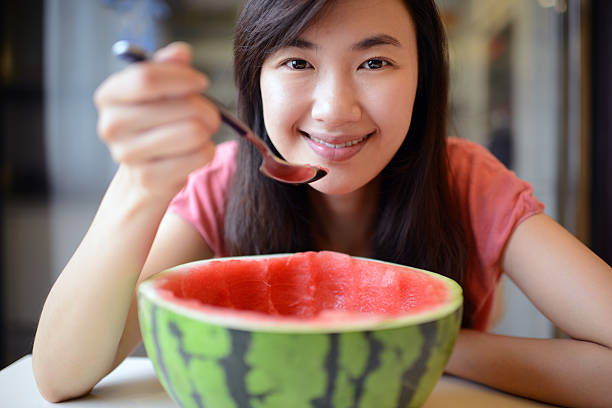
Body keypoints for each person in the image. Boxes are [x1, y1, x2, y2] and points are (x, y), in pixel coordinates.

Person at [32, 0, 612, 406]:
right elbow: (59, 377)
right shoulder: (218, 185)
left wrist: (424, 346)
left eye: (376, 62)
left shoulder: (468, 183)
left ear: (423, 78)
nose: (335, 108)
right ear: (255, 77)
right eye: (297, 61)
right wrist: (138, 185)